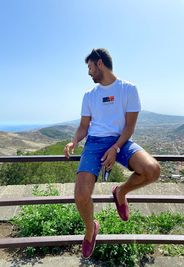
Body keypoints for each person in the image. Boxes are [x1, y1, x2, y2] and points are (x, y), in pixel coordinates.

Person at [64, 48, 160, 259]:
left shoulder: (128, 89)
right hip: (94, 144)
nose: (89, 72)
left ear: (99, 63)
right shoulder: (89, 95)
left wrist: (115, 148)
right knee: (81, 196)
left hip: (121, 141)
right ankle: (91, 228)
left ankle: (121, 192)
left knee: (152, 170)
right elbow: (83, 126)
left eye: (90, 67)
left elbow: (129, 128)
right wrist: (74, 141)